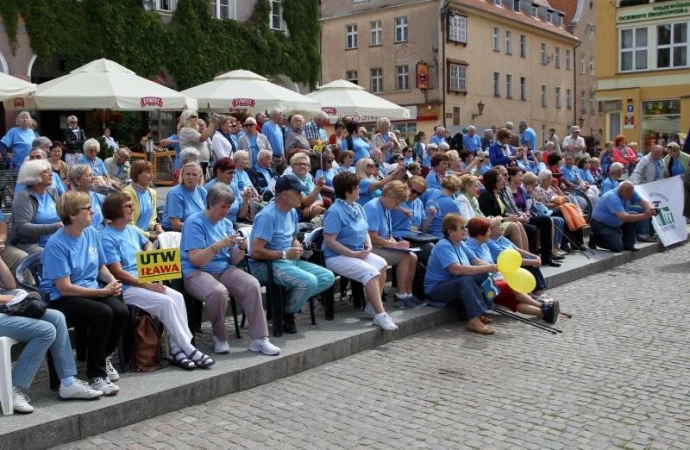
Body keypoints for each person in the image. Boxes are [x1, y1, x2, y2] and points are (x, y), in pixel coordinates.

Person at [100, 193, 214, 370]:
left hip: (144, 280)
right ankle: (188, 347)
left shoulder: (131, 229)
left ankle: (176, 350)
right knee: (165, 302)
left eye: (132, 204)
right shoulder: (107, 237)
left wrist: (147, 255)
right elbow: (117, 272)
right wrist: (147, 284)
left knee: (177, 297)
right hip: (127, 288)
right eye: (128, 206)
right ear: (116, 210)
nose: (133, 208)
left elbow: (147, 242)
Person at [41, 191, 128, 396]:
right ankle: (96, 375)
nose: (93, 211)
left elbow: (100, 267)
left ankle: (103, 357)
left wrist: (111, 281)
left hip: (90, 287)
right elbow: (64, 287)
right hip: (63, 297)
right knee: (102, 313)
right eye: (87, 208)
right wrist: (100, 293)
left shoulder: (91, 233)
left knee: (121, 311)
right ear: (72, 215)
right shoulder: (56, 244)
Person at [181, 184, 280, 355]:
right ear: (211, 204)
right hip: (196, 271)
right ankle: (219, 337)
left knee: (251, 284)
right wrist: (218, 245)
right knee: (217, 292)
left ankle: (260, 339)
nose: (226, 211)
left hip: (223, 268)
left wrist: (241, 247)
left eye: (228, 207)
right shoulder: (194, 222)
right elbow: (197, 260)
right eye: (223, 207)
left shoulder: (226, 223)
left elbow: (233, 259)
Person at [0, 254, 103, 413]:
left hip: (5, 309)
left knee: (57, 317)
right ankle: (13, 388)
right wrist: (7, 298)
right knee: (45, 331)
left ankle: (68, 382)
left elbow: (9, 283)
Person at [249, 175, 335, 334]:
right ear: (284, 195)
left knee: (327, 277)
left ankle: (284, 307)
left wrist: (300, 248)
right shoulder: (267, 216)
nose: (302, 197)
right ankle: (287, 314)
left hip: (287, 261)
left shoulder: (292, 212)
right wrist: (284, 254)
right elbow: (255, 251)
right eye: (298, 193)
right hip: (266, 264)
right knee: (309, 281)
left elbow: (293, 238)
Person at [322, 172, 398, 331]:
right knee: (370, 273)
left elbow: (364, 231)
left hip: (358, 252)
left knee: (382, 264)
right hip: (337, 256)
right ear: (348, 192)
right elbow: (330, 240)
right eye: (356, 188)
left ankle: (372, 305)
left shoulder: (358, 207)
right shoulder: (335, 211)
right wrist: (352, 254)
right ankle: (380, 315)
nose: (359, 191)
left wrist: (368, 246)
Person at [464, 217, 559, 324]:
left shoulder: (484, 244)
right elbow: (478, 265)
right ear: (480, 234)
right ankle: (542, 306)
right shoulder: (468, 247)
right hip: (484, 286)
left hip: (495, 281)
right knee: (513, 287)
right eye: (488, 231)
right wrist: (496, 269)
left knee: (511, 301)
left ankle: (543, 313)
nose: (489, 233)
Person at [424, 214, 496, 335]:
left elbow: (476, 261)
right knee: (466, 279)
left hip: (453, 283)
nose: (465, 230)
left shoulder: (461, 243)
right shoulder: (443, 245)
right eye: (461, 228)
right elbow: (456, 270)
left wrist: (493, 267)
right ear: (450, 231)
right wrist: (488, 267)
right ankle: (473, 321)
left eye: (465, 227)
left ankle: (481, 312)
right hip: (436, 289)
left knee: (483, 274)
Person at [363, 181, 423, 308]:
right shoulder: (373, 208)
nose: (398, 205)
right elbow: (372, 237)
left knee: (412, 256)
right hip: (370, 248)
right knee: (404, 257)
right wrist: (395, 246)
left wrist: (399, 244)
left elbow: (387, 234)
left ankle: (408, 294)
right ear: (389, 194)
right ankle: (401, 295)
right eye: (397, 201)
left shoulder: (386, 207)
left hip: (380, 246)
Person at [499, 166, 560, 266]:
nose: (522, 178)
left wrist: (526, 213)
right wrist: (521, 215)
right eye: (520, 176)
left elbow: (523, 206)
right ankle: (531, 256)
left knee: (547, 220)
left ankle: (547, 256)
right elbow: (510, 209)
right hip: (514, 217)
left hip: (523, 215)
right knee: (534, 227)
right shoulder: (507, 190)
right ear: (512, 177)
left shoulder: (519, 190)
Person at [10, 160, 63, 254]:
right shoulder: (23, 197)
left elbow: (62, 214)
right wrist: (54, 227)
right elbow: (22, 227)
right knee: (53, 256)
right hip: (33, 244)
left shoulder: (52, 192)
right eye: (46, 172)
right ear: (34, 175)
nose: (51, 174)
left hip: (56, 240)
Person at [589, 181, 658, 252]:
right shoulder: (611, 197)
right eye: (629, 194)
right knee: (617, 247)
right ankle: (595, 238)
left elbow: (642, 201)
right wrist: (644, 215)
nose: (631, 195)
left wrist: (651, 209)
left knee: (634, 214)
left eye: (631, 193)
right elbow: (624, 217)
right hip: (601, 224)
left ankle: (628, 244)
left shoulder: (629, 191)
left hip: (616, 221)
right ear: (621, 190)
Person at [534, 169, 585, 251]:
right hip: (549, 211)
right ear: (544, 180)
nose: (552, 179)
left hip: (559, 209)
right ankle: (566, 243)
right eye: (550, 178)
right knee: (565, 218)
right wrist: (557, 205)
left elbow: (562, 197)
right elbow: (543, 205)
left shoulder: (551, 188)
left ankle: (579, 242)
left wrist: (556, 186)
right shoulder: (538, 190)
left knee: (574, 216)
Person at [122, 160, 164, 241]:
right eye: (148, 172)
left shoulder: (152, 193)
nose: (152, 176)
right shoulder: (127, 193)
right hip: (130, 238)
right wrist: (149, 236)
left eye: (152, 172)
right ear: (137, 174)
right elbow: (128, 224)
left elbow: (151, 219)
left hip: (144, 237)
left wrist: (157, 226)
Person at [204, 157, 251, 224]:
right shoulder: (208, 189)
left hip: (234, 224)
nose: (233, 176)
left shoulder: (233, 186)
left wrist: (245, 201)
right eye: (230, 173)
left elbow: (241, 215)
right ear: (219, 172)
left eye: (234, 173)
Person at [162, 162, 207, 231]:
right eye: (188, 174)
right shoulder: (175, 193)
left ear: (200, 176)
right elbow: (175, 224)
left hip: (198, 229)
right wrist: (199, 229)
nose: (190, 177)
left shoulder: (202, 191)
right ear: (182, 175)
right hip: (178, 231)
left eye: (194, 175)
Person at [288, 153, 327, 221]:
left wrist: (311, 206)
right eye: (299, 164)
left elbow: (320, 201)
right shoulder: (291, 179)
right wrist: (318, 187)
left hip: (311, 209)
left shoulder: (308, 178)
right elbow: (305, 202)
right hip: (298, 212)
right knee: (323, 213)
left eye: (304, 164)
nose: (302, 166)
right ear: (292, 166)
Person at [178, 110, 217, 177]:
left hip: (200, 162)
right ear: (186, 118)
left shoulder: (193, 130)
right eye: (193, 117)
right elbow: (202, 138)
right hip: (192, 163)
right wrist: (212, 123)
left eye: (196, 116)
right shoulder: (186, 130)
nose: (196, 118)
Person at [69, 164, 107, 232]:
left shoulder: (99, 197)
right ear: (77, 181)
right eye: (88, 175)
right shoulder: (70, 201)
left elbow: (107, 219)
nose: (93, 178)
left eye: (92, 175)